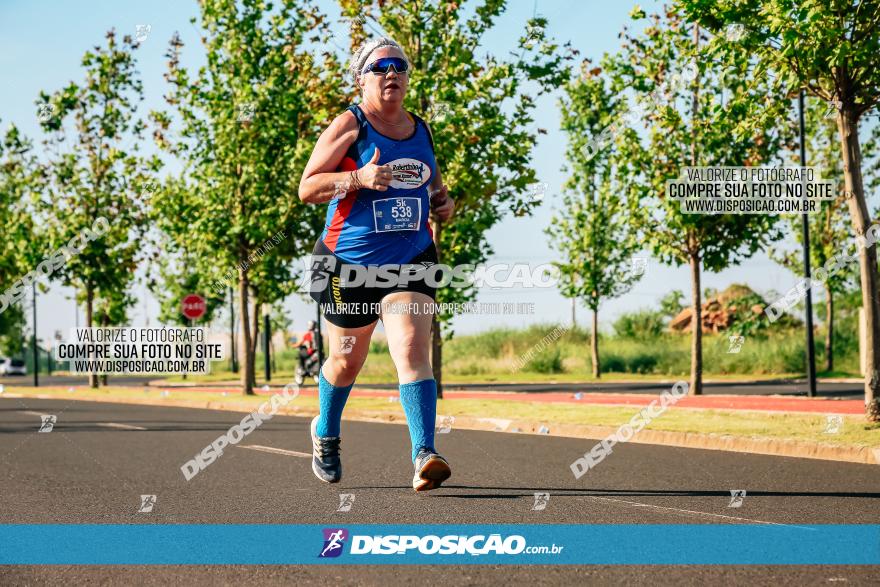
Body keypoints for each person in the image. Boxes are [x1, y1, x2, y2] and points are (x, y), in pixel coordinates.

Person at [298, 36, 455, 492]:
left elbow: (433, 185)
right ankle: (325, 431)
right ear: (361, 77)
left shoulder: (421, 128)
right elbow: (308, 188)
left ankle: (425, 453)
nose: (392, 74)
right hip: (349, 261)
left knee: (410, 349)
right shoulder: (350, 124)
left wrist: (443, 204)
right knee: (347, 361)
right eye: (380, 66)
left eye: (399, 67)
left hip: (410, 257)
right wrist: (357, 177)